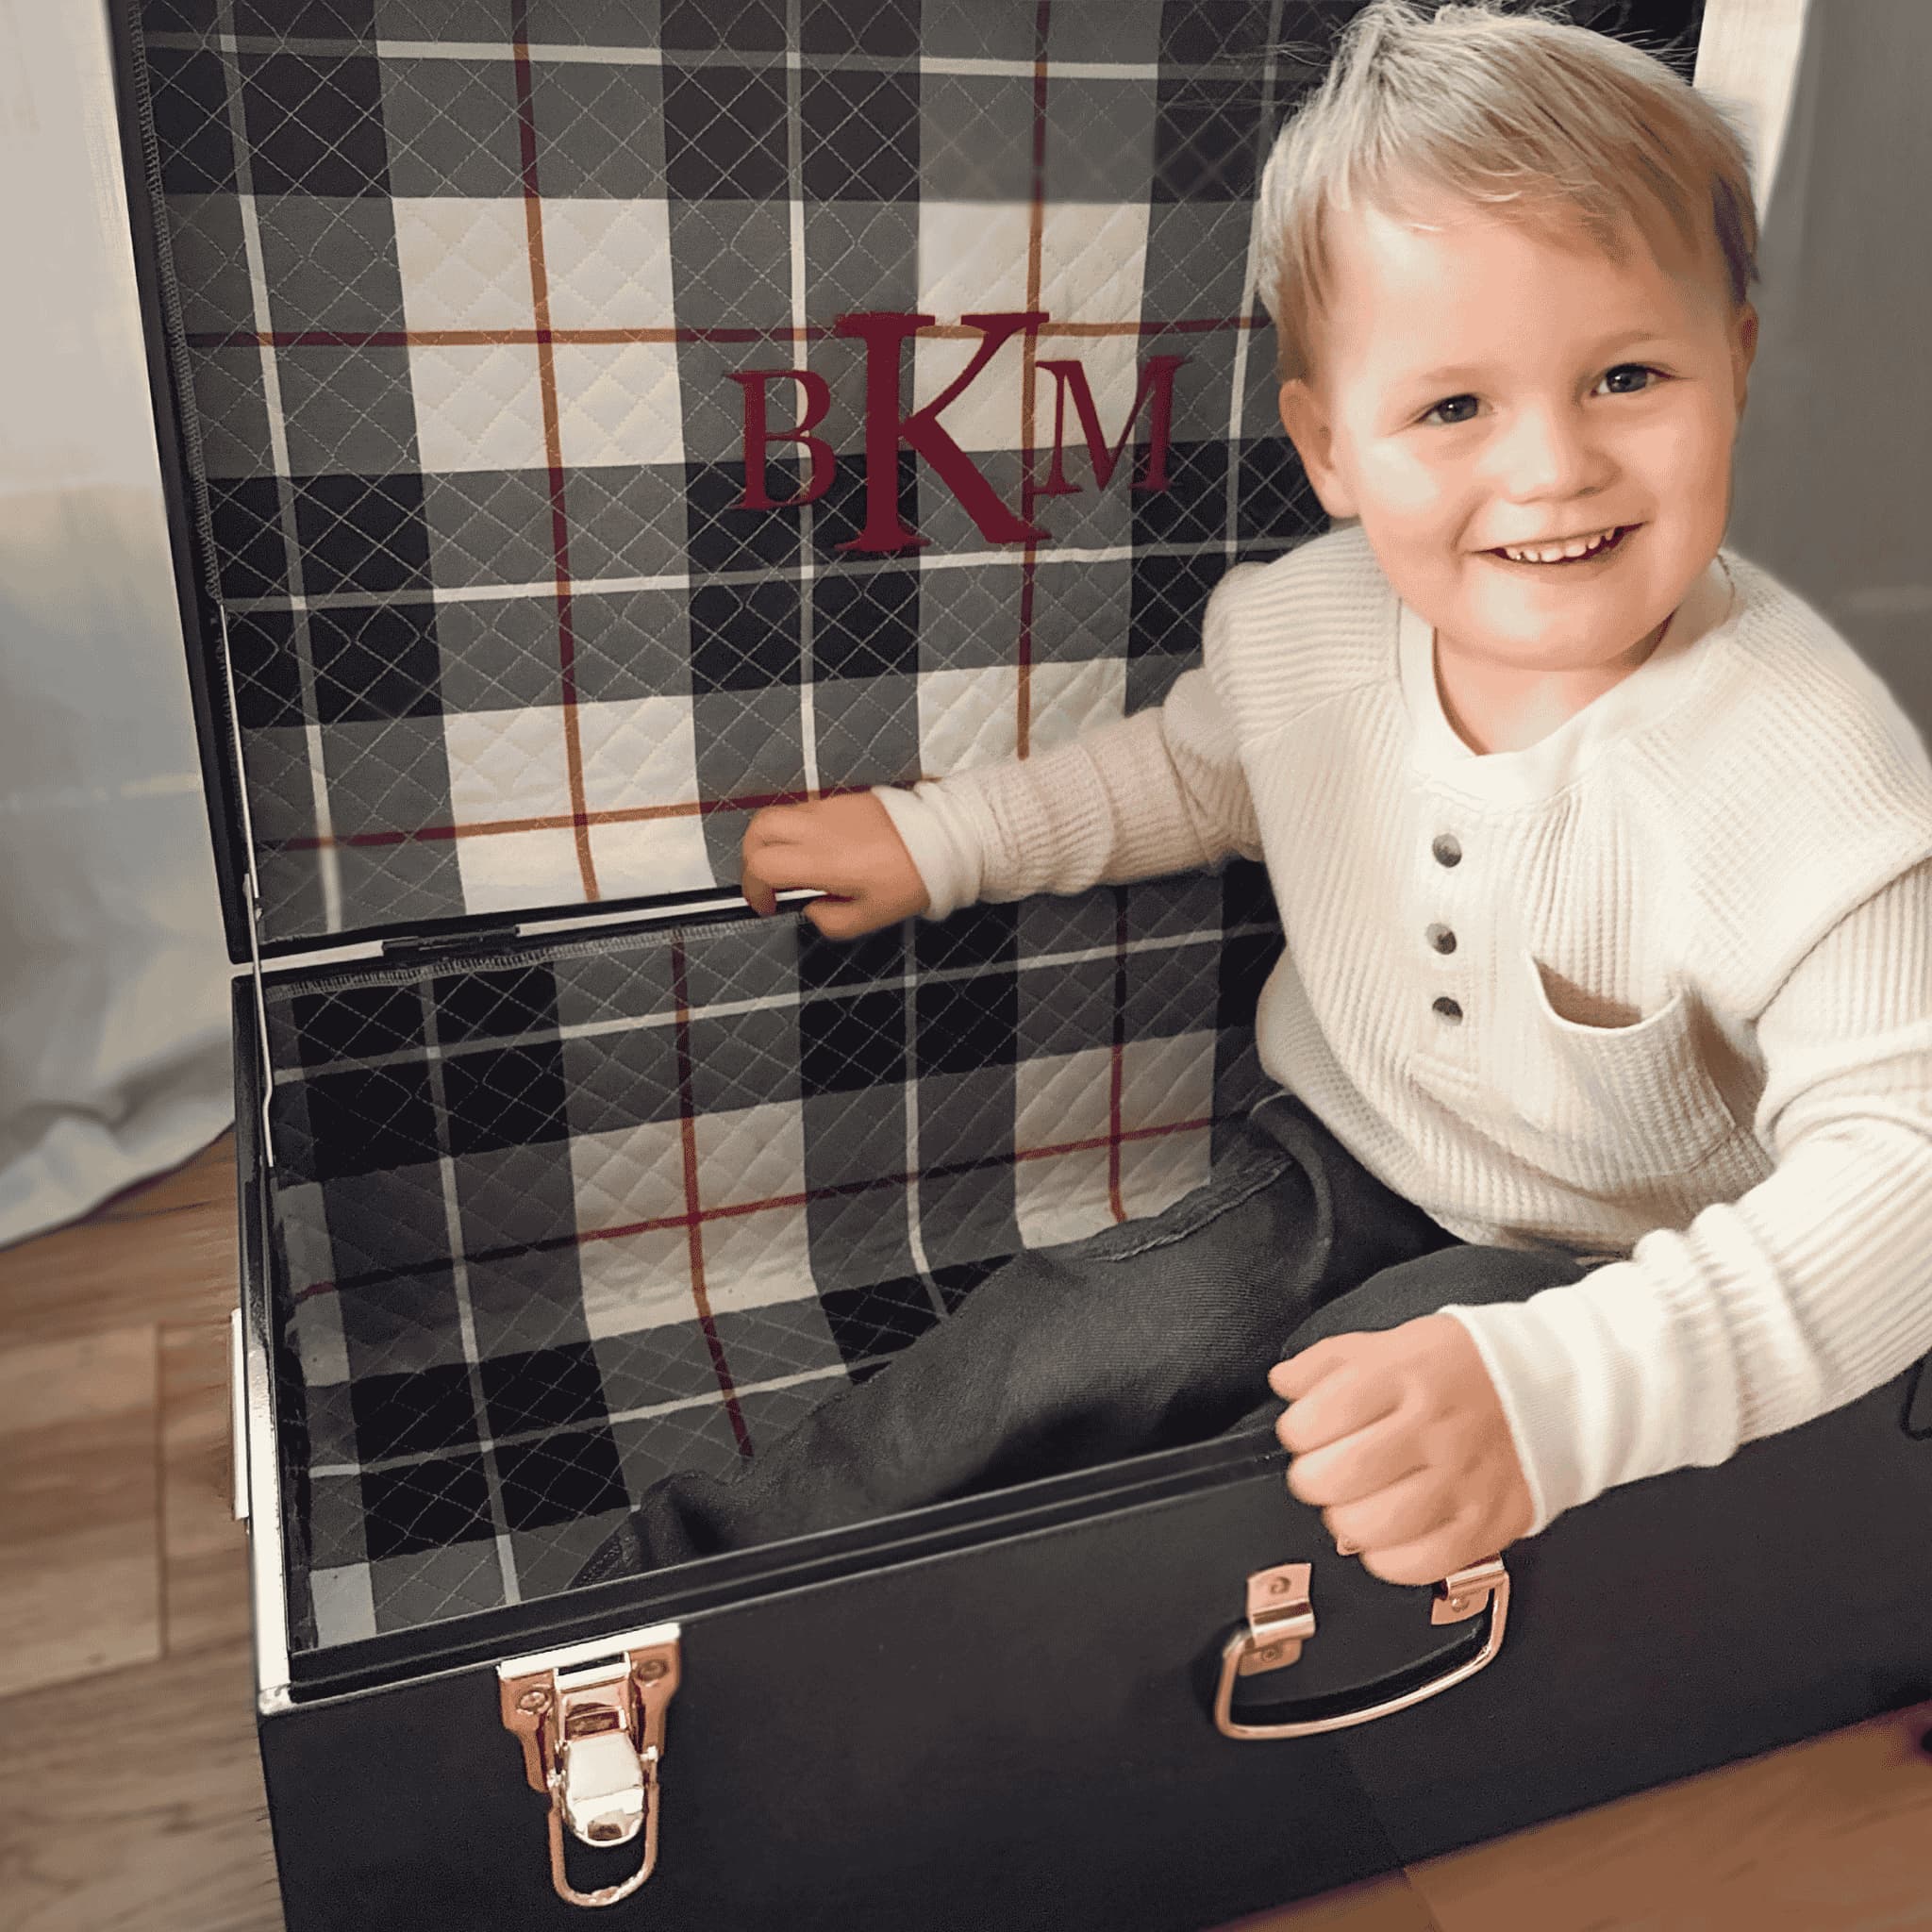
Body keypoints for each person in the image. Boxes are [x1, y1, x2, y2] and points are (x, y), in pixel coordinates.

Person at [576, 0, 1932, 1591]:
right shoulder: (1311, 623)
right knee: (1070, 1338)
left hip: (1611, 1272)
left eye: (1626, 374)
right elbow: (1188, 774)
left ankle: (1044, 1675)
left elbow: (1907, 1170)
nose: (1553, 468)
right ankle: (690, 1588)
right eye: (1452, 407)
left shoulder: (1807, 755)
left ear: (1737, 365)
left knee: (1315, 1459)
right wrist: (937, 838)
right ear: (1331, 446)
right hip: (1330, 1164)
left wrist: (1572, 1392)